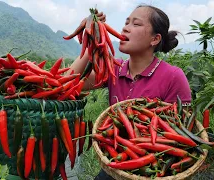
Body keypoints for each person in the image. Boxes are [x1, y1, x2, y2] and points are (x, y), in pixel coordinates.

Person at [68, 4, 191, 179]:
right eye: (126, 22)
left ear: (155, 39)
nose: (125, 27)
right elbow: (68, 81)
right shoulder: (114, 69)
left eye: (136, 24)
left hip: (154, 168)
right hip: (119, 162)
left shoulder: (173, 77)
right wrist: (91, 37)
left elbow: (180, 134)